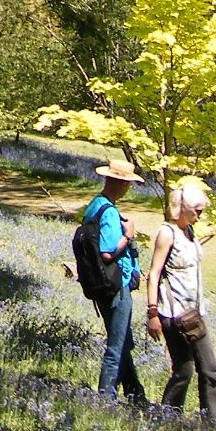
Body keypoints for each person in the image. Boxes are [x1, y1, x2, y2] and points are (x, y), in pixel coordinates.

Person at [146, 178, 216, 428]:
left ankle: (215, 422)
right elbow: (154, 274)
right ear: (185, 207)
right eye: (198, 211)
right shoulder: (166, 233)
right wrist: (153, 314)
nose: (200, 216)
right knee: (184, 370)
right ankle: (167, 418)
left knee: (209, 368)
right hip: (173, 315)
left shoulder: (189, 231)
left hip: (194, 314)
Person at [83, 158, 147, 404]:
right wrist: (128, 237)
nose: (128, 188)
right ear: (120, 184)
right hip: (116, 285)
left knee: (122, 340)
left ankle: (135, 393)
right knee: (117, 344)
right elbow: (108, 252)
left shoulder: (95, 205)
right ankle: (105, 397)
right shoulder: (108, 211)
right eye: (127, 183)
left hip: (102, 284)